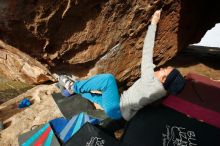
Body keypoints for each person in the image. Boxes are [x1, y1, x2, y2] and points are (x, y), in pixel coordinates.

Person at [57, 10, 185, 121]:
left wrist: (153, 24)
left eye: (165, 71)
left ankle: (72, 86)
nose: (162, 68)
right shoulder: (161, 92)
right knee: (95, 96)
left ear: (163, 80)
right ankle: (72, 92)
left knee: (108, 80)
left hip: (117, 108)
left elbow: (147, 51)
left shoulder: (150, 80)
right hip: (118, 112)